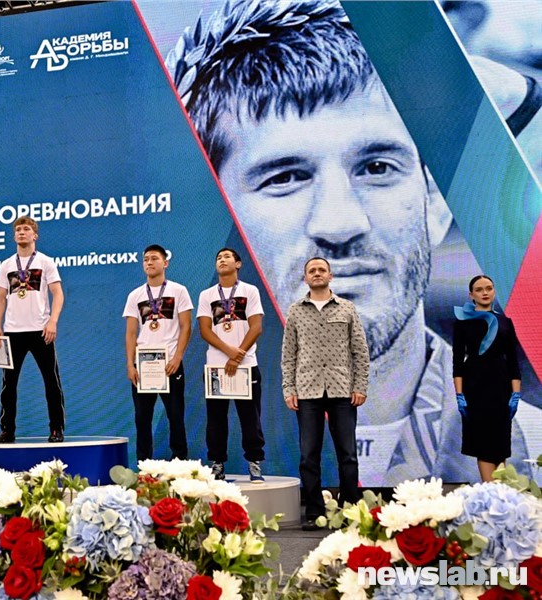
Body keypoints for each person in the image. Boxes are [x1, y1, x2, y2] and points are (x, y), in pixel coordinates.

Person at [168, 0, 530, 484]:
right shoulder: (187, 455)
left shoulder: (528, 448)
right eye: (285, 177)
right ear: (220, 220)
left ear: (436, 203)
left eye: (377, 168)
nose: (340, 223)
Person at [282, 258, 369, 531]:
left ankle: (350, 510)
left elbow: (360, 351)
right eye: (312, 271)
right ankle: (314, 512)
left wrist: (360, 386)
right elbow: (289, 354)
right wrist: (289, 388)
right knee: (309, 455)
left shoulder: (347, 308)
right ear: (305, 278)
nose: (317, 273)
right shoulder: (296, 311)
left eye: (322, 270)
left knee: (348, 454)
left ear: (330, 275)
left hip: (342, 389)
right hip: (307, 390)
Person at [0, 216, 66, 443]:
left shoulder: (45, 262)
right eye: (18, 230)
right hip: (12, 332)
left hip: (40, 330)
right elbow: (0, 298)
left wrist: (52, 321)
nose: (21, 232)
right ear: (14, 236)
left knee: (51, 381)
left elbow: (58, 294)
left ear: (35, 235)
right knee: (8, 385)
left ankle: (56, 429)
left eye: (26, 229)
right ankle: (7, 430)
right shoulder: (7, 265)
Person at [197, 248, 266, 482]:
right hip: (217, 367)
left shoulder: (250, 291)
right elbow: (205, 330)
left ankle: (254, 463)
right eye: (218, 257)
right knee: (216, 418)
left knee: (250, 417)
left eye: (227, 256)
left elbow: (256, 327)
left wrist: (238, 356)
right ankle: (217, 463)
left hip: (246, 365)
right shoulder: (207, 295)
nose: (222, 260)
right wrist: (229, 353)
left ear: (238, 264)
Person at [124, 244, 192, 461]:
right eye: (146, 259)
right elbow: (131, 332)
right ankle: (144, 464)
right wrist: (130, 364)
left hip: (170, 363)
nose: (149, 262)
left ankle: (179, 462)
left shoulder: (178, 291)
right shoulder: (135, 295)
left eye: (154, 258)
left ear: (165, 262)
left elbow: (186, 326)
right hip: (144, 364)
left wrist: (178, 357)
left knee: (176, 416)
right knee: (142, 418)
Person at [453, 275, 522, 482]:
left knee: (500, 443)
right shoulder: (463, 322)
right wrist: (460, 395)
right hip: (475, 387)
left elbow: (513, 361)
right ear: (471, 295)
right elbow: (457, 362)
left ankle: (500, 492)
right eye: (479, 289)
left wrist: (516, 393)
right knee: (483, 444)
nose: (485, 292)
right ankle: (490, 489)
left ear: (494, 291)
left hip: (501, 386)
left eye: (489, 288)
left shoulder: (505, 322)